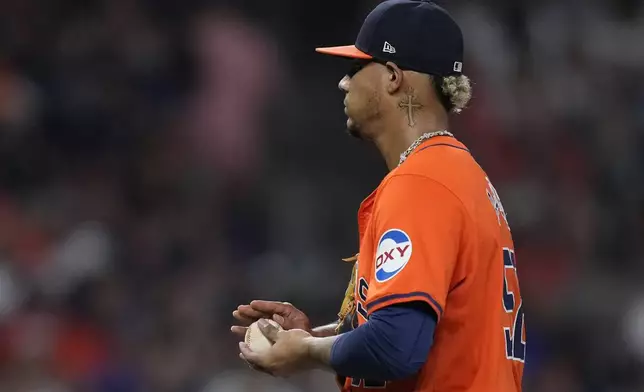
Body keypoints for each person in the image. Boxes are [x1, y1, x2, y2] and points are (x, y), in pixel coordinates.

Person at [231, 1, 525, 390]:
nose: (343, 82)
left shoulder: (424, 182)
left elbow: (397, 345)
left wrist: (303, 351)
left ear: (391, 76)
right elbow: (418, 326)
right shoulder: (456, 175)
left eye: (356, 68)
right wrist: (313, 337)